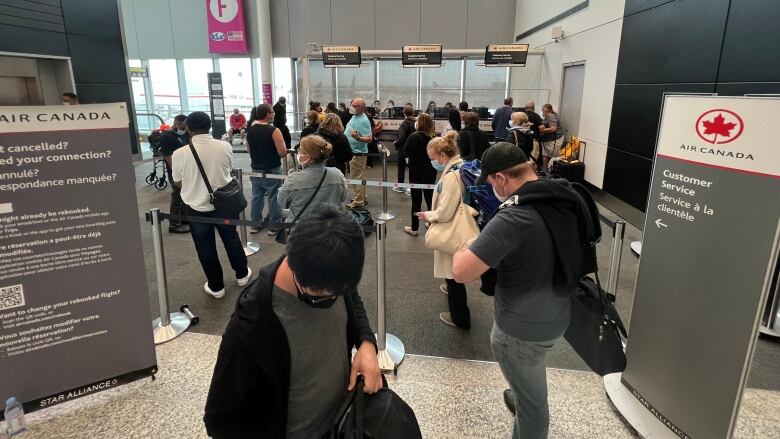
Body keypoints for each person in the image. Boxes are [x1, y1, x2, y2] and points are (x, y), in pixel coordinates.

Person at [203, 206, 382, 438]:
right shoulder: (252, 324)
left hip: (342, 422)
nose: (332, 299)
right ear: (294, 268)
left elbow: (351, 298)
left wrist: (366, 342)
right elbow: (219, 419)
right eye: (320, 296)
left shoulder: (331, 271)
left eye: (338, 293)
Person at [452, 143, 583, 439]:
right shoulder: (562, 195)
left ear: (501, 178)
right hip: (558, 310)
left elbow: (462, 272)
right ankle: (521, 388)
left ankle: (524, 399)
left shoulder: (514, 217)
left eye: (490, 182)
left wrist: (467, 245)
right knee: (530, 375)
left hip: (520, 330)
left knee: (533, 406)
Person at [171, 112, 251, 299]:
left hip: (196, 206)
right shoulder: (224, 146)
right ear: (210, 126)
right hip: (225, 203)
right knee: (231, 238)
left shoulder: (179, 154)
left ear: (188, 129)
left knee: (205, 246)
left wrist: (194, 185)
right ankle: (242, 274)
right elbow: (228, 170)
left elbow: (177, 182)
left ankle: (216, 287)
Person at [416, 131, 472, 329]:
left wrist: (429, 215)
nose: (433, 163)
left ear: (442, 156)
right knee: (452, 270)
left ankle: (460, 318)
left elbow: (446, 211)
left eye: (433, 159)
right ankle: (452, 292)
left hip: (451, 228)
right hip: (457, 224)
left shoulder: (451, 176)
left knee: (453, 273)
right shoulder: (459, 166)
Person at [278, 135, 350, 222]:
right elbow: (343, 197)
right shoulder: (337, 174)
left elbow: (281, 201)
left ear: (309, 156)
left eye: (300, 151)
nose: (298, 153)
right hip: (330, 228)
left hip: (301, 229)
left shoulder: (293, 179)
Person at [246, 104, 286, 235]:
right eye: (272, 111)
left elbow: (249, 150)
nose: (274, 113)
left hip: (255, 168)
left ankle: (255, 224)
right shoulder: (274, 130)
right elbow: (282, 152)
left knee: (257, 197)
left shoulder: (250, 130)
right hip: (272, 169)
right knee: (274, 197)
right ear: (268, 114)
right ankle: (274, 226)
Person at [403, 113, 437, 237]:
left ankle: (414, 228)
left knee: (416, 201)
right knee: (430, 200)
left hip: (416, 172)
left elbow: (406, 150)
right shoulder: (434, 138)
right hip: (430, 172)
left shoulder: (413, 137)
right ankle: (431, 223)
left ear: (419, 123)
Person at [158, 114, 191, 234]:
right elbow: (168, 157)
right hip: (175, 170)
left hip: (188, 168)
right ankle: (174, 224)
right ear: (177, 124)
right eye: (184, 125)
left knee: (185, 195)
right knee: (177, 195)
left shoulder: (188, 134)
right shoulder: (167, 136)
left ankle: (185, 219)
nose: (186, 127)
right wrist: (177, 173)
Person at [344, 98, 373, 209]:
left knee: (356, 177)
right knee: (359, 176)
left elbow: (369, 139)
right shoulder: (355, 117)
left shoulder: (363, 120)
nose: (352, 107)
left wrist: (358, 138)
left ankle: (358, 200)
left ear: (362, 108)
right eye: (352, 105)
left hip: (358, 153)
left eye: (355, 105)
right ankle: (362, 197)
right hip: (353, 152)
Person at [393, 106, 416, 194]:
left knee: (401, 169)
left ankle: (400, 186)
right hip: (413, 150)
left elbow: (401, 138)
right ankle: (412, 187)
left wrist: (395, 143)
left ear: (404, 113)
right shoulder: (416, 123)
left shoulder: (404, 124)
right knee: (412, 169)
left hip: (403, 150)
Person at [539, 104, 564, 169]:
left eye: (542, 109)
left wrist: (542, 130)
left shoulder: (551, 116)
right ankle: (545, 172)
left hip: (554, 140)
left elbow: (553, 129)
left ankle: (551, 172)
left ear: (546, 110)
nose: (541, 111)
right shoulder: (548, 117)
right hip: (548, 140)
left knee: (553, 157)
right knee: (545, 156)